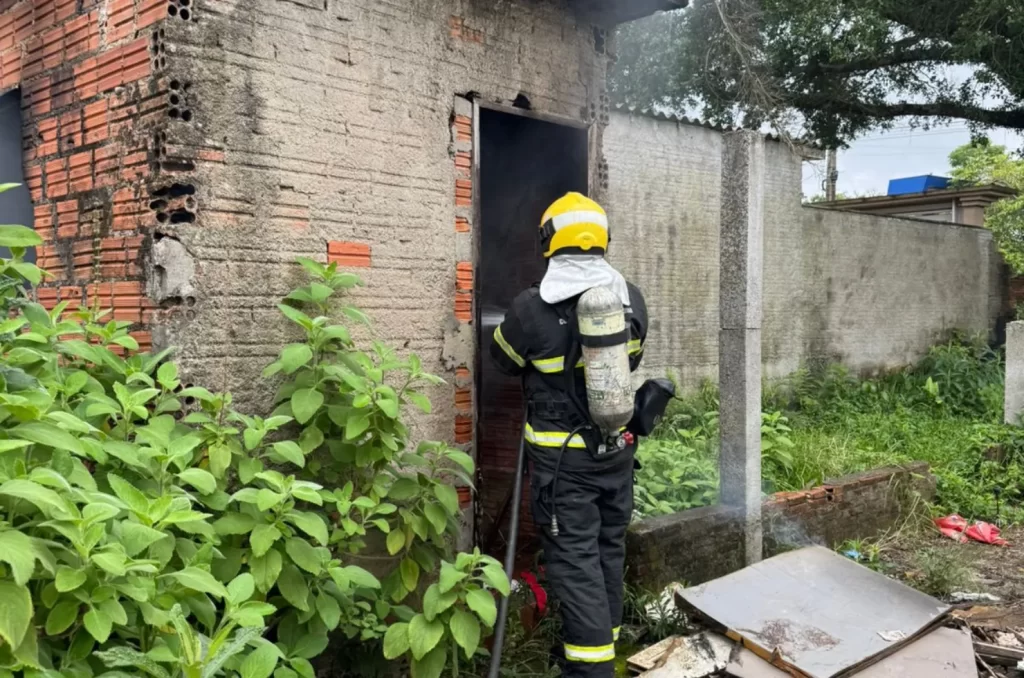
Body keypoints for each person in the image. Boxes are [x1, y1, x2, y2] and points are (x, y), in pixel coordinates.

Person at [489, 192, 648, 677]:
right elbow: (632, 360)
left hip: (564, 467)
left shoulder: (531, 306)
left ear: (549, 240)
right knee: (607, 549)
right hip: (616, 454)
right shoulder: (630, 298)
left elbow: (503, 360)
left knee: (575, 562)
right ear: (602, 239)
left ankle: (589, 668)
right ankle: (604, 646)